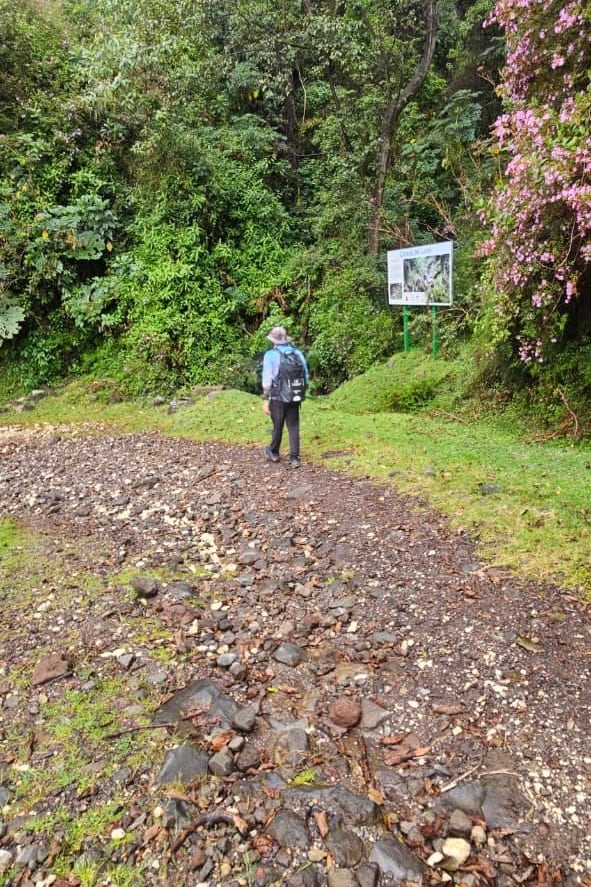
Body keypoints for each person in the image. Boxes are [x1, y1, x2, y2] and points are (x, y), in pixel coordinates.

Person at [261, 326, 309, 468]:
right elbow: (305, 375)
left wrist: (265, 399)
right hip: (294, 395)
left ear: (273, 340)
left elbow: (267, 380)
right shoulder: (298, 354)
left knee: (278, 424)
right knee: (293, 426)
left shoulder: (270, 355)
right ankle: (295, 458)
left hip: (278, 396)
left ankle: (274, 452)